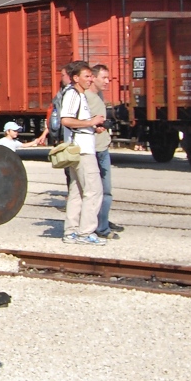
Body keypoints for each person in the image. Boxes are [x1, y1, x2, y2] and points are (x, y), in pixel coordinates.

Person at [60, 60, 105, 246]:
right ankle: (85, 232)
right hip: (82, 150)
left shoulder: (78, 94)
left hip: (80, 146)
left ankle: (71, 231)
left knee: (77, 191)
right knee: (93, 191)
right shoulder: (73, 95)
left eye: (91, 76)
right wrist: (91, 122)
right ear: (76, 78)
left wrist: (93, 128)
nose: (91, 79)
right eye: (87, 76)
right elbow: (66, 120)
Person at [90, 63, 121, 239]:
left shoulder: (99, 96)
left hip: (103, 148)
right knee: (92, 191)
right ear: (93, 78)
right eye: (104, 78)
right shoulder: (85, 97)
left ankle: (103, 226)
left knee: (106, 190)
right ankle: (94, 227)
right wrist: (94, 126)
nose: (107, 82)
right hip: (91, 149)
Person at [34, 67, 73, 146]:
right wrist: (44, 134)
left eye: (62, 75)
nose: (61, 78)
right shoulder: (62, 94)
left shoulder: (66, 94)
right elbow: (55, 117)